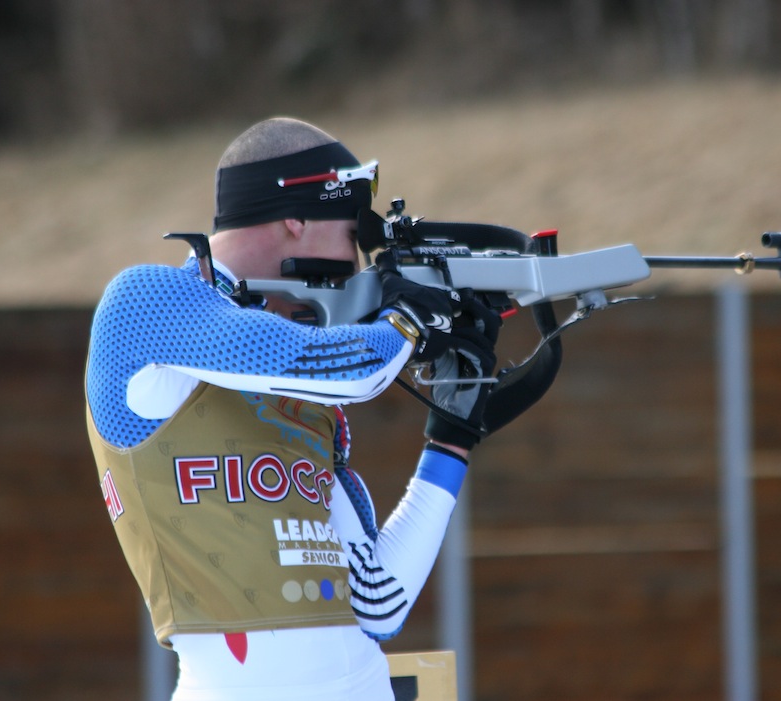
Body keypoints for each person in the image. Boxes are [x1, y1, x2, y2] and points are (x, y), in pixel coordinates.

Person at [85, 116, 508, 701]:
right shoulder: (146, 303)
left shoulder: (304, 392)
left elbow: (379, 603)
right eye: (354, 233)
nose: (361, 259)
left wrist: (450, 437)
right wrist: (409, 316)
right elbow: (348, 367)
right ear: (297, 219)